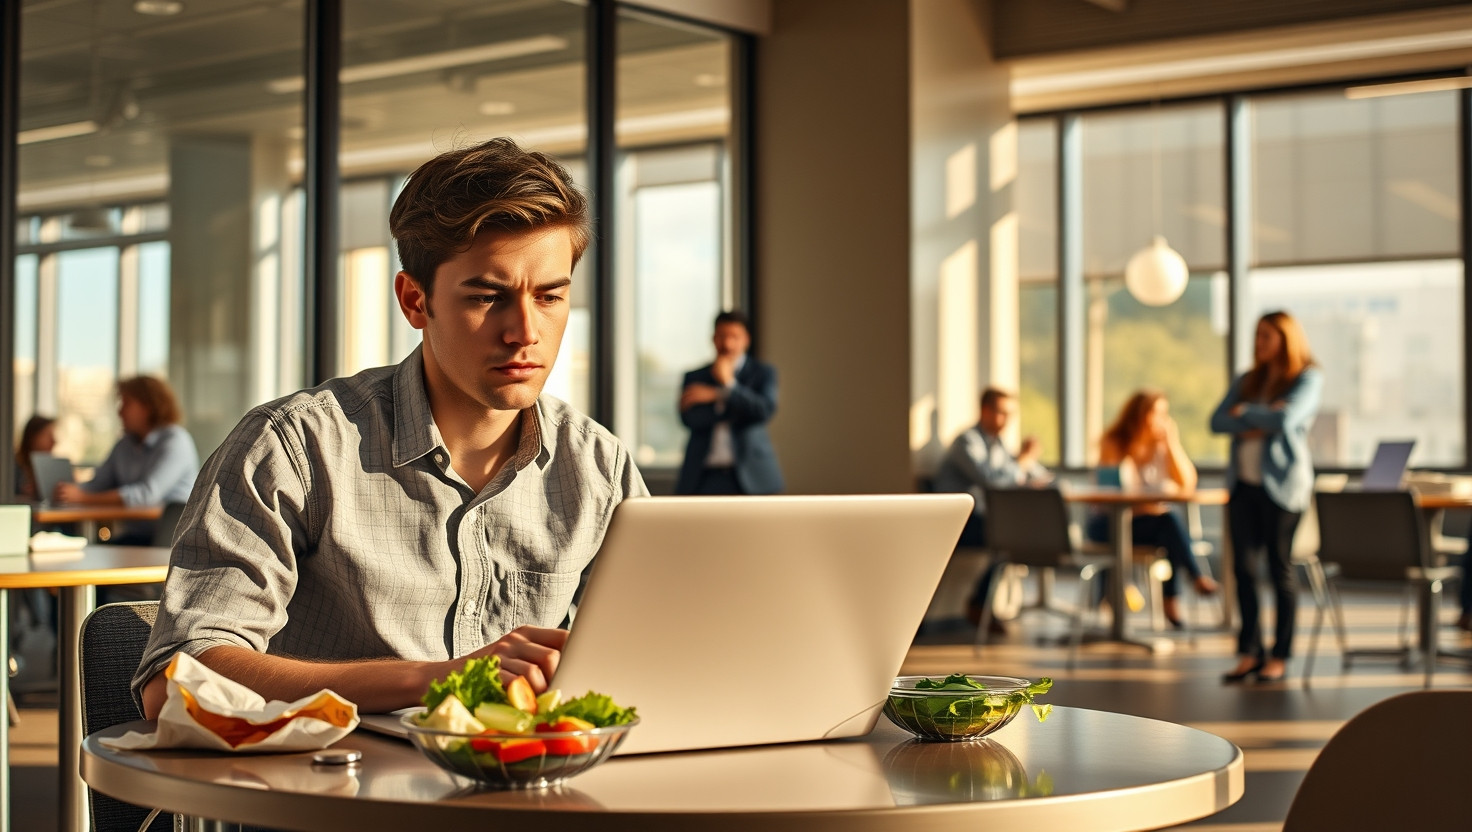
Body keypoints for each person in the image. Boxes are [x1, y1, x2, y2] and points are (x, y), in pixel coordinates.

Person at [133, 137, 648, 720]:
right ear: (414, 301)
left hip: (531, 796)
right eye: (487, 297)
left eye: (550, 296)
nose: (524, 331)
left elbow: (665, 651)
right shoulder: (295, 447)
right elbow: (177, 680)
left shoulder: (598, 467)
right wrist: (437, 680)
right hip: (330, 799)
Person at [1211, 310, 1322, 684]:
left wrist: (1245, 414)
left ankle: (1280, 655)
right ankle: (1249, 652)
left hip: (1284, 489)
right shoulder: (1247, 379)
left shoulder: (1307, 377)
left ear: (1285, 339)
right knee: (1243, 570)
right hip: (1243, 487)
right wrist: (1258, 414)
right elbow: (1217, 421)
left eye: (1266, 337)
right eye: (1256, 336)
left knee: (1280, 570)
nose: (1258, 344)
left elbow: (1286, 421)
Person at [1085, 390, 1218, 629]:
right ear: (1137, 415)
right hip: (1107, 523)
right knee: (1169, 523)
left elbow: (1187, 484)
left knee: (1169, 529)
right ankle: (1190, 583)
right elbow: (1114, 490)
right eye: (1154, 413)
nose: (1159, 420)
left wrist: (1172, 444)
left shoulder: (1162, 446)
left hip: (1145, 523)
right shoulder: (1115, 442)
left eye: (1164, 414)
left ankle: (1175, 597)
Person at [933, 386, 1051, 627]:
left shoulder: (998, 446)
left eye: (1010, 414)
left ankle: (981, 603)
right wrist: (1021, 463)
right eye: (1001, 413)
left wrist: (1038, 474)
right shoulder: (967, 442)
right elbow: (991, 481)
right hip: (956, 523)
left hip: (983, 519)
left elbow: (1028, 475)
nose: (1006, 421)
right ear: (985, 411)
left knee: (1018, 533)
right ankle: (980, 604)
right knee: (1010, 536)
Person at [55, 376, 199, 546]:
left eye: (126, 403)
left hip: (171, 545)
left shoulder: (175, 441)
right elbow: (98, 483)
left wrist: (83, 498)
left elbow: (146, 495)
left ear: (148, 406)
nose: (119, 412)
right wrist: (66, 491)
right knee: (88, 552)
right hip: (137, 539)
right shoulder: (124, 445)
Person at [675, 310, 783, 495]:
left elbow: (764, 410)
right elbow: (690, 419)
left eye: (735, 337)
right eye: (722, 336)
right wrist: (737, 406)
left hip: (752, 477)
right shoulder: (694, 377)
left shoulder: (763, 373)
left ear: (746, 339)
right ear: (713, 338)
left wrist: (724, 390)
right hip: (703, 477)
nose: (727, 344)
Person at [14, 415, 58, 501]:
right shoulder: (12, 466)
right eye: (48, 436)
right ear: (33, 437)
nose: (54, 441)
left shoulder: (51, 468)